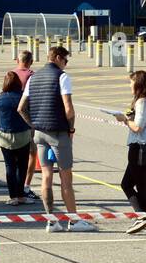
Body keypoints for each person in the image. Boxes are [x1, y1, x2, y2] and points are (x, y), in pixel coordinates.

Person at [17, 46, 92, 231]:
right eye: (65, 61)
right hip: (58, 133)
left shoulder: (33, 77)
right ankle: (74, 221)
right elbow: (69, 108)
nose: (66, 65)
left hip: (40, 133)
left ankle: (51, 221)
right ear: (58, 58)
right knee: (66, 179)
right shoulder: (62, 77)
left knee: (46, 177)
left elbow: (21, 108)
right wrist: (71, 129)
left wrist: (33, 124)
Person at [113, 70, 146, 234]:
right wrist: (132, 116)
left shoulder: (141, 102)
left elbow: (138, 127)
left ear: (138, 84)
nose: (129, 85)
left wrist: (125, 120)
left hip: (139, 147)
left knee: (127, 184)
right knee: (141, 185)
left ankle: (142, 217)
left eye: (131, 82)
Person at [0, 71, 33, 205]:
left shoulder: (0, 97)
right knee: (22, 166)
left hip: (4, 135)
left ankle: (13, 197)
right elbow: (28, 112)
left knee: (9, 166)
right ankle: (21, 195)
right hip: (22, 134)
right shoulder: (23, 96)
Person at [13, 50, 39, 201]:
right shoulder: (32, 76)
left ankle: (15, 185)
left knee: (14, 156)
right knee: (31, 154)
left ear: (18, 60)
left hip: (11, 118)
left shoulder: (10, 74)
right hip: (27, 117)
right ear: (31, 61)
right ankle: (26, 186)